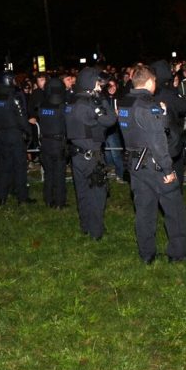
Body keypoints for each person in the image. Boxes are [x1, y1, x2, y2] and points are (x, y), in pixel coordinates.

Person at [117, 64, 186, 264]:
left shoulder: (124, 103)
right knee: (175, 209)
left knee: (144, 210)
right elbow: (157, 141)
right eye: (154, 81)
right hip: (155, 165)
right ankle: (178, 253)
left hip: (136, 165)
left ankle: (147, 254)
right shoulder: (149, 105)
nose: (155, 84)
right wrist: (168, 170)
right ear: (148, 82)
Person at [64, 67, 116, 240]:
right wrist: (102, 99)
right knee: (97, 193)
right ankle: (96, 231)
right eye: (97, 83)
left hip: (76, 155)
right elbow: (110, 120)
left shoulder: (71, 101)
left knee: (82, 192)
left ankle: (85, 225)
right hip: (91, 156)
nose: (99, 87)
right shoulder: (89, 103)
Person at [0, 71, 35, 205]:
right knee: (20, 167)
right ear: (8, 80)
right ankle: (22, 197)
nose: (15, 81)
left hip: (0, 134)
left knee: (4, 166)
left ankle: (2, 197)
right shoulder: (14, 95)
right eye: (13, 79)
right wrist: (28, 132)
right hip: (14, 134)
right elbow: (21, 117)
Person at [150, 59, 186, 190]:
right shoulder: (169, 92)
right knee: (176, 170)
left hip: (153, 139)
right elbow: (184, 107)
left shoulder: (149, 93)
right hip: (171, 138)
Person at [38, 77, 69, 208]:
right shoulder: (63, 107)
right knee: (59, 173)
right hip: (58, 143)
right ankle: (59, 202)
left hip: (45, 143)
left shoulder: (42, 106)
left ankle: (48, 199)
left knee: (49, 172)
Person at [103, 78, 126, 182]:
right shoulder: (103, 99)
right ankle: (111, 169)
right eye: (110, 86)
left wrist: (119, 114)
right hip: (105, 128)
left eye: (114, 86)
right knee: (107, 151)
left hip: (114, 128)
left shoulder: (120, 98)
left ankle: (120, 174)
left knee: (115, 151)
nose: (112, 88)